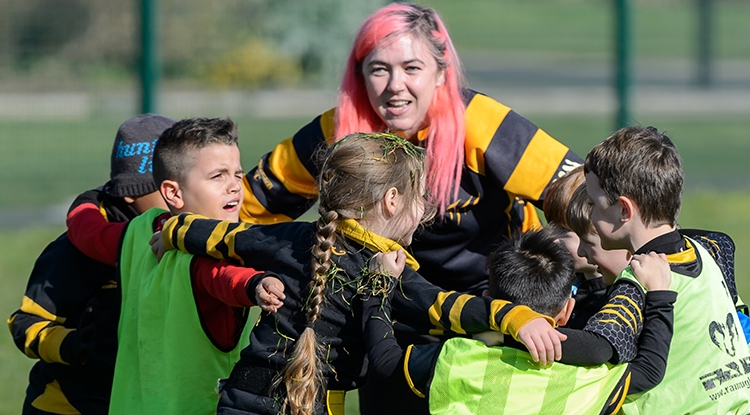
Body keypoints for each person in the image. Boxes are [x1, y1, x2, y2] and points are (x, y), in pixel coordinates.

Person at [238, 4, 582, 412]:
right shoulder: (340, 131)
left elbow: (579, 196)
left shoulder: (483, 122)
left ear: (442, 73)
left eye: (412, 68)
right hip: (383, 312)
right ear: (359, 75)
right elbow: (245, 207)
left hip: (487, 312)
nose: (394, 86)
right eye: (379, 69)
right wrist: (262, 275)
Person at [157, 132, 566, 415]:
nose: (424, 209)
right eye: (420, 197)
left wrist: (171, 232)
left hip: (239, 399)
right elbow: (450, 307)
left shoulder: (294, 237)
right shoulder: (386, 272)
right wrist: (516, 317)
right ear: (392, 200)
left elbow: (223, 237)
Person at [64, 117, 285, 415]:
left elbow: (87, 230)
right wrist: (255, 284)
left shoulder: (137, 231)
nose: (234, 186)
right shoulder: (215, 251)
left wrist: (89, 199)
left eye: (237, 173)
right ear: (173, 193)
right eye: (218, 176)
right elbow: (219, 276)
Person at [403, 226, 676, 415]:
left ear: (487, 299)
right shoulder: (588, 379)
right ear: (567, 311)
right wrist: (659, 294)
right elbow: (650, 370)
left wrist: (372, 301)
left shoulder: (455, 358)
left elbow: (385, 360)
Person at [8, 114, 175, 415]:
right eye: (166, 188)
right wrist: (72, 346)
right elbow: (25, 325)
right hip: (67, 405)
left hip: (139, 400)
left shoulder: (181, 236)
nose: (179, 197)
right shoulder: (75, 250)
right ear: (130, 193)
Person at [584, 125, 750, 413]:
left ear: (624, 210)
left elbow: (600, 347)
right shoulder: (707, 250)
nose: (591, 215)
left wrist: (521, 330)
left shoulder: (639, 279)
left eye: (593, 203)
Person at [542, 165, 607, 329]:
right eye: (552, 226)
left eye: (564, 230)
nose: (553, 239)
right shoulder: (566, 285)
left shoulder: (619, 300)